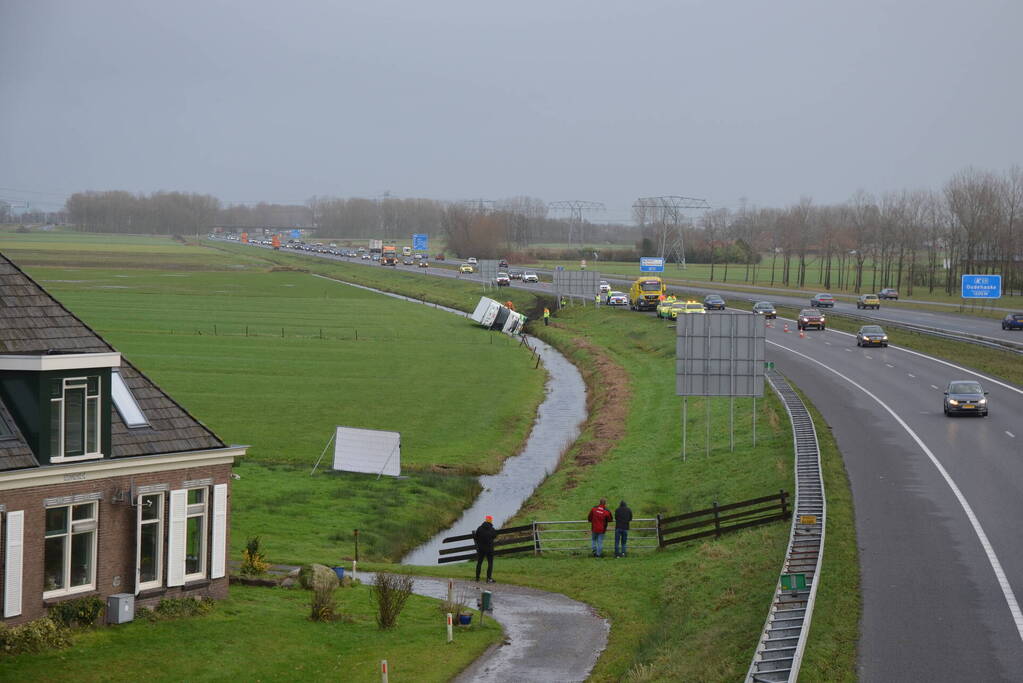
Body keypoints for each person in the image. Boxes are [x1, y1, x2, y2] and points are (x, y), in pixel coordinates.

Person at [473, 515, 497, 583]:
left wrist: (479, 543)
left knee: (479, 562)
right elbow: (495, 535)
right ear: (491, 521)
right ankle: (488, 578)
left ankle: (477, 578)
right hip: (489, 549)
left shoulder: (480, 528)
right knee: (490, 563)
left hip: (481, 549)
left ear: (485, 520)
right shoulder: (492, 529)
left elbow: (476, 537)